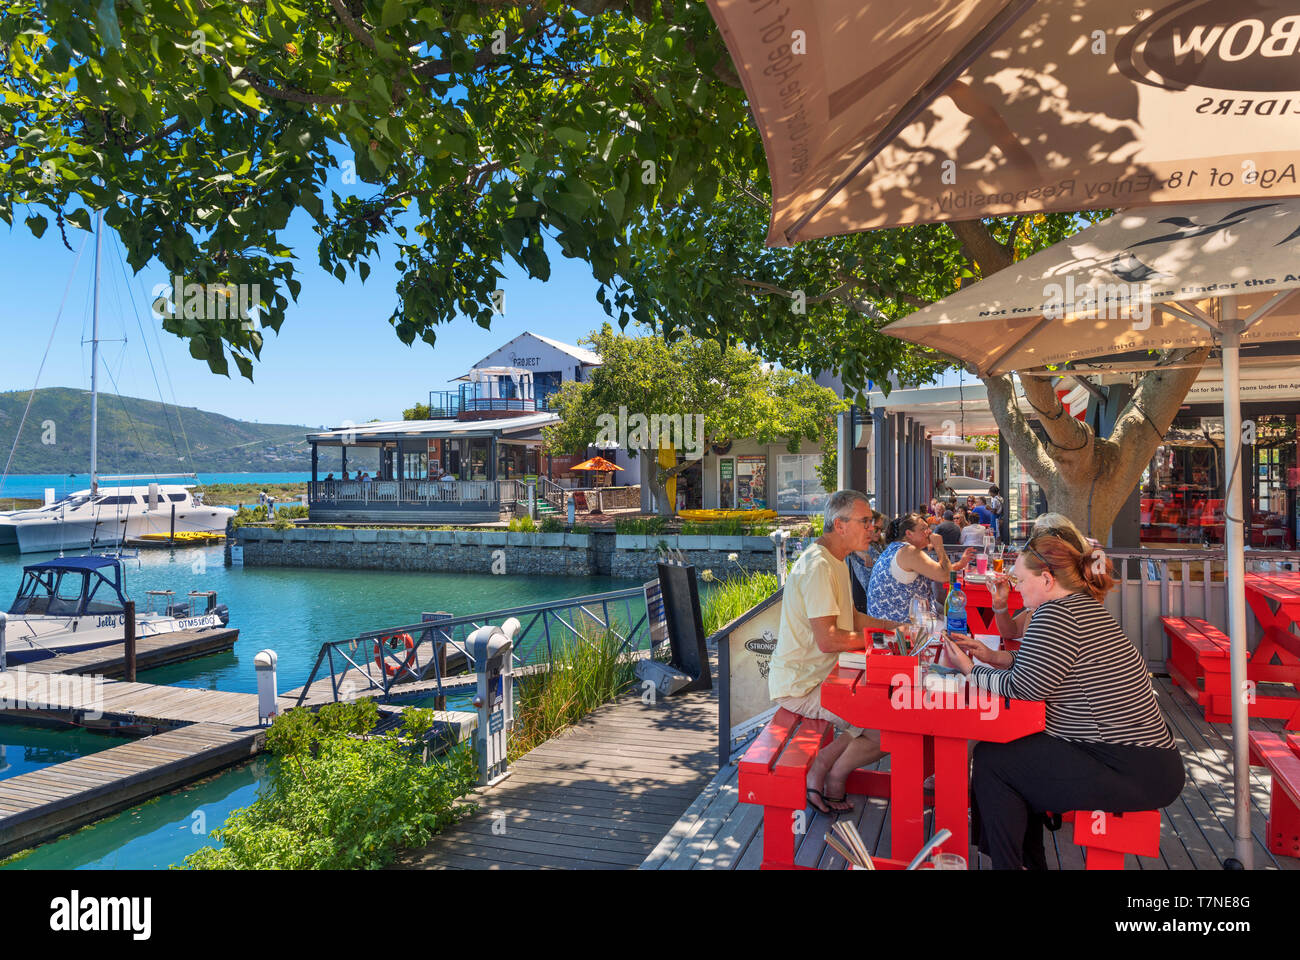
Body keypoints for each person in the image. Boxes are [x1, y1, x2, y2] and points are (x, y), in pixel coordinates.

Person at [943, 535, 1185, 870]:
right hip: (1142, 759)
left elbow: (1026, 686)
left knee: (992, 761)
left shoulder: (1056, 615)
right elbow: (1047, 664)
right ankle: (1025, 862)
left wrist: (970, 669)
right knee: (1006, 755)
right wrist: (993, 656)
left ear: (1046, 579)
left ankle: (1012, 864)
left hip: (1128, 766)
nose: (1017, 589)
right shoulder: (1077, 605)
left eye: (1020, 580)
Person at [768, 491, 901, 814]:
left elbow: (852, 618)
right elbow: (828, 640)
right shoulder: (819, 567)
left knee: (890, 697)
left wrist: (897, 627)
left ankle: (824, 766)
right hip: (802, 685)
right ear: (840, 525)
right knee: (893, 724)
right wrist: (882, 640)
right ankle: (832, 773)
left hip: (824, 675)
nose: (873, 528)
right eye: (865, 521)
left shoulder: (837, 559)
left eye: (872, 522)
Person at [987, 513, 1092, 640]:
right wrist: (1000, 604)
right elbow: (1013, 632)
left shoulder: (1061, 613)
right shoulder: (1050, 600)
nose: (1017, 588)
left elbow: (1031, 657)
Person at [866, 513, 976, 622]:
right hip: (899, 631)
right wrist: (939, 546)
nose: (929, 532)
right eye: (923, 529)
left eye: (928, 528)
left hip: (887, 624)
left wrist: (960, 564)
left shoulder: (896, 549)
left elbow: (934, 571)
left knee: (949, 612)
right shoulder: (909, 551)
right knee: (956, 615)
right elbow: (945, 576)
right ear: (909, 533)